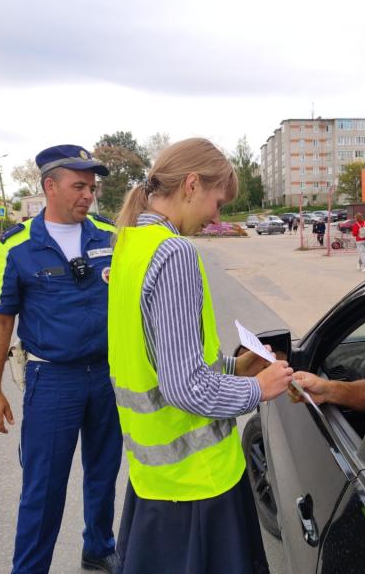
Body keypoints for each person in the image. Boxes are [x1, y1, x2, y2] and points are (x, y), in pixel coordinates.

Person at [108, 138, 294, 574]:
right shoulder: (173, 254)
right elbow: (185, 386)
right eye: (216, 200)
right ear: (191, 184)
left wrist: (234, 367)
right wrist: (258, 387)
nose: (216, 216)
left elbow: (161, 359)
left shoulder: (130, 244)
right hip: (197, 484)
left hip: (154, 478)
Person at [0, 145, 123, 573]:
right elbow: (0, 321)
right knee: (43, 487)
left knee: (103, 472)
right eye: (79, 186)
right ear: (50, 186)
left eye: (92, 187)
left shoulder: (108, 235)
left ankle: (99, 547)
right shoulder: (17, 246)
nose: (88, 195)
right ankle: (29, 568)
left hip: (106, 376)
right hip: (53, 379)